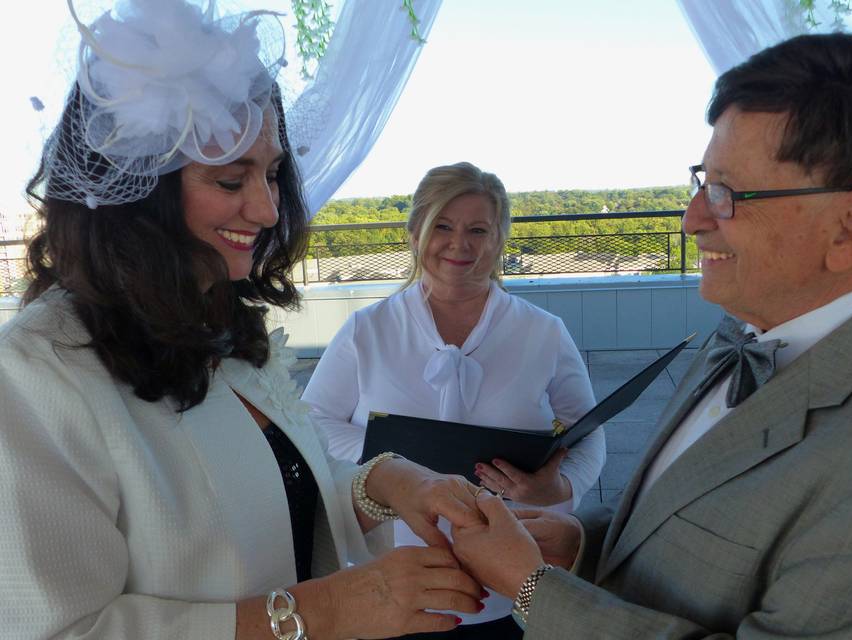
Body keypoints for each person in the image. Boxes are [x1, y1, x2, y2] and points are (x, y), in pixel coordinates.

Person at [0, 2, 489, 638]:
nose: (264, 208)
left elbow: (273, 495)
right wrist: (331, 609)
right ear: (138, 195)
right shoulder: (40, 370)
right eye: (232, 180)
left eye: (273, 173)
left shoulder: (220, 325)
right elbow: (59, 628)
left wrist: (386, 482)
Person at [450, 32, 852, 639]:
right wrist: (583, 542)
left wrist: (536, 590)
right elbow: (683, 512)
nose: (692, 219)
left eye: (728, 194)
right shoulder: (747, 332)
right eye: (700, 180)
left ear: (851, 225)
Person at [302, 161, 606, 637]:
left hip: (509, 581)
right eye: (442, 225)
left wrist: (559, 488)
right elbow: (313, 420)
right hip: (393, 579)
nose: (458, 243)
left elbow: (590, 432)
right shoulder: (368, 330)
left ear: (499, 239)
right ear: (415, 232)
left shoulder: (543, 332)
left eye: (477, 229)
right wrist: (393, 470)